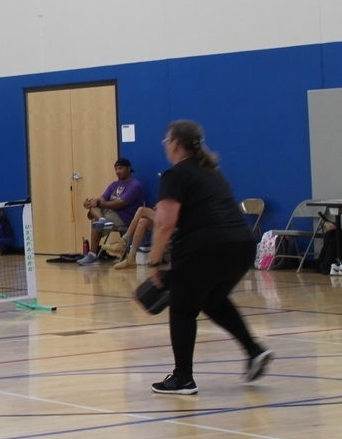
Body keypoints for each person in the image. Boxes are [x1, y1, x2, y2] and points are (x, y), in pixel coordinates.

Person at [145, 120, 273, 395]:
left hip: (205, 248)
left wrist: (154, 262)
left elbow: (165, 223)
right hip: (242, 246)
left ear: (175, 144)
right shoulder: (213, 173)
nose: (166, 146)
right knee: (212, 299)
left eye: (166, 141)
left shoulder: (175, 175)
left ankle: (182, 378)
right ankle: (254, 351)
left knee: (182, 308)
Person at [75, 157, 145, 265]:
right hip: (111, 214)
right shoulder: (114, 185)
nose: (117, 171)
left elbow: (120, 203)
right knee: (95, 209)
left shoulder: (135, 185)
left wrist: (97, 203)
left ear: (128, 169)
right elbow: (102, 199)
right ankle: (102, 220)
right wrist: (91, 202)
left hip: (126, 217)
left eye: (120, 168)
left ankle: (92, 255)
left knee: (95, 219)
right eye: (116, 169)